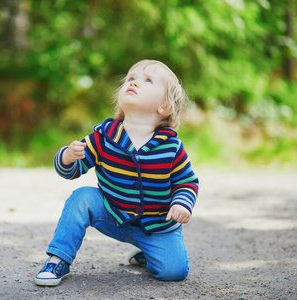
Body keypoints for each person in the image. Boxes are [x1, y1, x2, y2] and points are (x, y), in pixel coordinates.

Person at [34, 59, 199, 286]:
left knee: (175, 271)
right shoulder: (104, 137)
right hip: (113, 215)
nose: (134, 83)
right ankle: (57, 259)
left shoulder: (171, 148)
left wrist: (182, 203)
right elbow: (72, 171)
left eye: (147, 80)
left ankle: (149, 253)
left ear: (165, 107)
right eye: (130, 78)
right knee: (81, 197)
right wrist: (68, 156)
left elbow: (187, 182)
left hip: (156, 225)